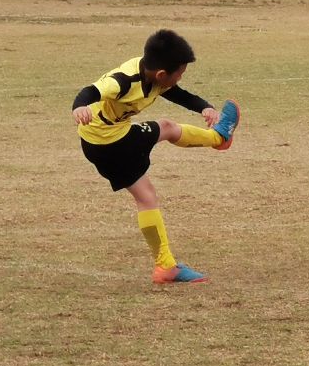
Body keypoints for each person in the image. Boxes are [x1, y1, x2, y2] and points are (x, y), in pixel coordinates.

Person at [73, 29, 240, 285]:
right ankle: (219, 138)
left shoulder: (153, 75)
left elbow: (177, 94)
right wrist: (80, 107)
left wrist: (204, 106)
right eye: (180, 73)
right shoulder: (123, 81)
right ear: (162, 74)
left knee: (147, 197)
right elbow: (90, 91)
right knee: (167, 127)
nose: (181, 77)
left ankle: (165, 267)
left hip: (97, 143)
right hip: (113, 142)